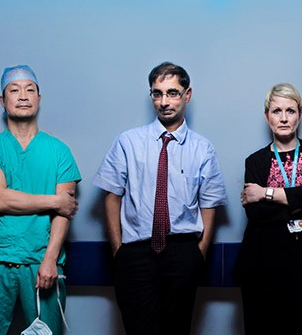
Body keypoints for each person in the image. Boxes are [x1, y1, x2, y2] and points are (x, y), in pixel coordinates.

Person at [94, 62, 227, 334]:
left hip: (182, 253)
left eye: (172, 93)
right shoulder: (128, 142)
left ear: (187, 95)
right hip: (135, 254)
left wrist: (199, 253)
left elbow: (209, 204)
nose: (164, 102)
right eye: (157, 93)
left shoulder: (202, 148)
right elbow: (111, 196)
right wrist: (119, 250)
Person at [0, 65, 81, 335]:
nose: (22, 96)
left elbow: (65, 212)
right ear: (2, 100)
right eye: (14, 90)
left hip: (42, 261)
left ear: (38, 99)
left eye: (29, 90)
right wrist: (55, 201)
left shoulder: (59, 151)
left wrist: (50, 259)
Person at [235, 83, 302, 335]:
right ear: (267, 117)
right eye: (277, 111)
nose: (284, 118)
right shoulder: (255, 161)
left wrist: (266, 193)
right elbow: (257, 213)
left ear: (299, 115)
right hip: (263, 266)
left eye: (290, 111)